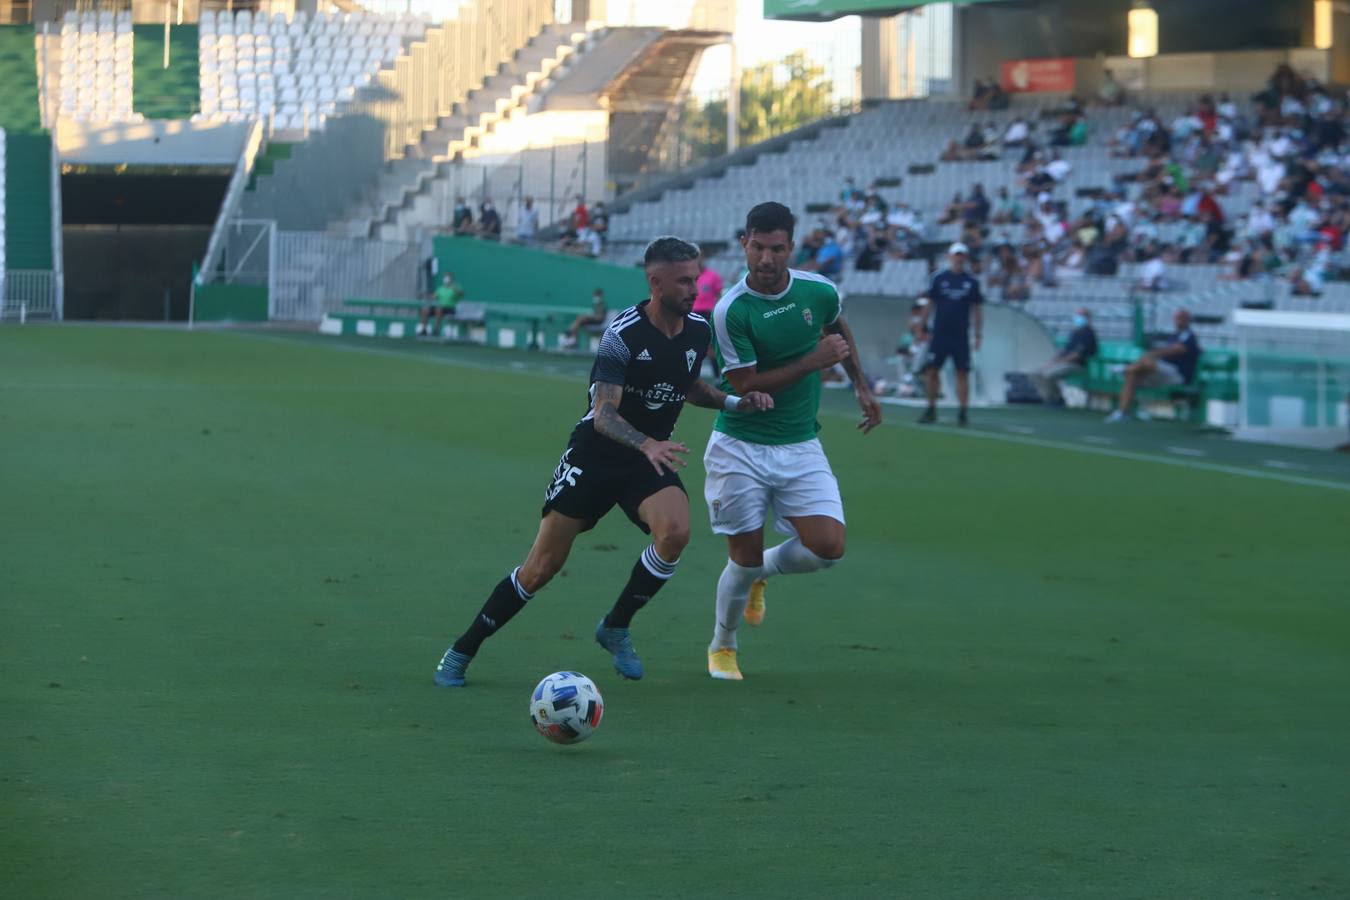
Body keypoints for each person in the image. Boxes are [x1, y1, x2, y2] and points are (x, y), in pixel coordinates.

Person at [433, 237, 774, 687]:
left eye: (697, 277)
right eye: (684, 281)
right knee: (541, 568)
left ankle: (615, 625)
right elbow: (603, 415)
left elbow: (687, 386)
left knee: (676, 533)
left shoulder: (697, 329)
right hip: (595, 455)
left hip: (645, 459)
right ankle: (462, 650)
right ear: (655, 282)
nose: (695, 288)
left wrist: (734, 403)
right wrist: (647, 443)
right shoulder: (622, 334)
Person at [702, 202, 882, 681]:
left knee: (828, 547)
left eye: (776, 249)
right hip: (740, 447)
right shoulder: (730, 310)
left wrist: (861, 384)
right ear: (744, 243)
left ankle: (765, 570)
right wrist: (813, 362)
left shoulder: (818, 290)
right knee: (738, 559)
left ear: (791, 247)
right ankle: (723, 644)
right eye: (757, 247)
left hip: (800, 443)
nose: (766, 259)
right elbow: (744, 385)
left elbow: (837, 326)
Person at [918, 242, 984, 426]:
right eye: (956, 254)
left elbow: (977, 310)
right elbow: (929, 304)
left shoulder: (971, 282)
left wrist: (978, 334)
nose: (959, 258)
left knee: (962, 372)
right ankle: (931, 408)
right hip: (940, 333)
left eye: (962, 255)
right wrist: (922, 327)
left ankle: (963, 411)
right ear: (950, 256)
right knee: (932, 370)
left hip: (960, 335)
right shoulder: (939, 279)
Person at [1105, 308, 1201, 423]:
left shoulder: (1189, 336)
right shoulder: (1175, 335)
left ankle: (1125, 368)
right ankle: (1123, 412)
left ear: (1187, 320)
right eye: (1177, 318)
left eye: (1181, 318)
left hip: (1177, 374)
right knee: (1132, 375)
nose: (1178, 321)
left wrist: (1154, 354)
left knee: (1149, 360)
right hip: (1163, 372)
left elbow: (1178, 349)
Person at [1029, 307, 1098, 407]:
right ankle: (1049, 398)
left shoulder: (1088, 333)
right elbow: (1066, 351)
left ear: (1088, 318)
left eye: (1081, 315)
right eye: (1077, 315)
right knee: (1035, 373)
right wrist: (1053, 361)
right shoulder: (1075, 332)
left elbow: (1077, 355)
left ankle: (1057, 399)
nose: (1078, 318)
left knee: (1049, 375)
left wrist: (1060, 361)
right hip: (1064, 362)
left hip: (1076, 365)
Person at [693, 253, 725, 376]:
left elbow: (719, 295)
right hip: (692, 313)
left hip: (708, 313)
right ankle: (692, 376)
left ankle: (717, 376)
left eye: (700, 257)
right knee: (692, 346)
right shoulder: (690, 276)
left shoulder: (713, 276)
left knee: (711, 347)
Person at [418, 272, 465, 337]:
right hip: (440, 308)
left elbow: (461, 294)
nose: (446, 279)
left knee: (438, 309)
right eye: (445, 277)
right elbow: (433, 296)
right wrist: (424, 295)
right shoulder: (440, 288)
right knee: (425, 310)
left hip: (450, 308)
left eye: (448, 277)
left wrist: (453, 288)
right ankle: (424, 330)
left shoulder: (455, 287)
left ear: (451, 278)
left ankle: (436, 330)